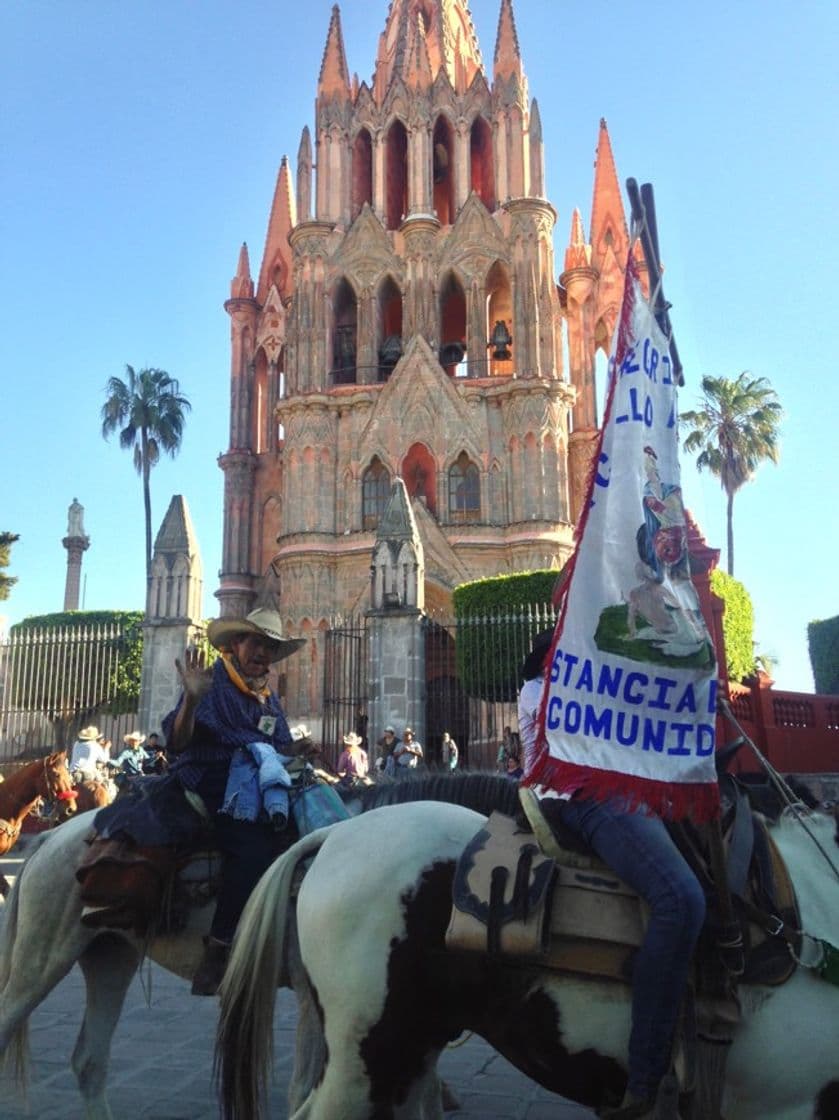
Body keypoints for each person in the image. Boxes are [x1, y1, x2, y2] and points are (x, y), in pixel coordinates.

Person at [517, 631, 705, 1119]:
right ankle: (646, 1079)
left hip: (618, 786)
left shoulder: (595, 684)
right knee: (681, 899)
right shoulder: (541, 692)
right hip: (578, 797)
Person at [157, 607, 312, 996]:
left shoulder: (265, 694)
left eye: (270, 647)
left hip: (257, 779)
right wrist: (191, 702)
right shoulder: (213, 683)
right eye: (256, 642)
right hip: (212, 777)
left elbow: (275, 746)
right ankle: (219, 949)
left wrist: (296, 748)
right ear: (234, 644)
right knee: (251, 849)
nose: (263, 653)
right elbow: (177, 743)